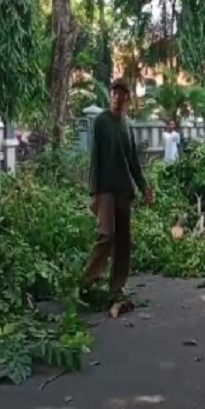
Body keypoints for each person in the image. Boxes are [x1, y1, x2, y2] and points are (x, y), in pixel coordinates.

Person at [84, 80, 155, 316]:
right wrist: (93, 192)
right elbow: (96, 157)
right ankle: (87, 283)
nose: (116, 96)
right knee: (107, 234)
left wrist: (145, 187)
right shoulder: (101, 121)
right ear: (110, 95)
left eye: (121, 93)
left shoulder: (127, 126)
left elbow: (134, 162)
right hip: (105, 188)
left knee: (124, 240)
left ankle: (117, 287)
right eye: (114, 92)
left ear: (127, 98)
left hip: (124, 190)